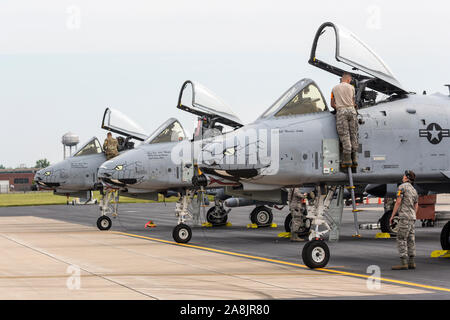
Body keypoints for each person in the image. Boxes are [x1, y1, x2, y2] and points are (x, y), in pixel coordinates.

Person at [390, 170, 419, 270]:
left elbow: (398, 202)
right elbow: (416, 204)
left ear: (406, 177)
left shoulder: (402, 187)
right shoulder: (414, 190)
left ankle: (403, 263)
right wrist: (413, 214)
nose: (402, 177)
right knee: (411, 239)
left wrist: (392, 215)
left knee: (401, 238)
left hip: (404, 217)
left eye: (403, 176)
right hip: (412, 218)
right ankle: (412, 262)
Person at [331, 73, 358, 167]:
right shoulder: (352, 88)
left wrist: (338, 107)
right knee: (353, 134)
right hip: (352, 111)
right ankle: (354, 159)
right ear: (349, 79)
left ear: (342, 79)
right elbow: (353, 102)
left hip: (341, 112)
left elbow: (332, 104)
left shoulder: (334, 88)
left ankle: (347, 160)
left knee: (344, 135)